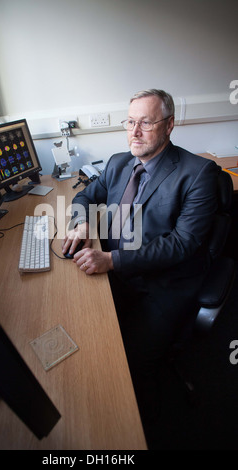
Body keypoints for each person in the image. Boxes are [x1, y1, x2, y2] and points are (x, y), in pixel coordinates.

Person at [62, 89, 219, 423]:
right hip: (117, 273)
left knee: (121, 367)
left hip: (163, 286)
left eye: (145, 123)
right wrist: (80, 225)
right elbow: (86, 196)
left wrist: (111, 260)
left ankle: (133, 425)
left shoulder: (198, 173)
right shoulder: (120, 162)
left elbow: (182, 244)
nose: (134, 132)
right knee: (77, 328)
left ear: (169, 125)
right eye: (130, 121)